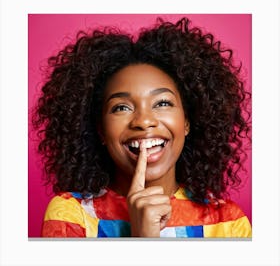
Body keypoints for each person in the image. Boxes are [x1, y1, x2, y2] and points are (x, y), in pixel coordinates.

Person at [32, 17, 252, 238]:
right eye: (121, 107)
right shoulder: (71, 215)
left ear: (187, 121)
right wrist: (142, 237)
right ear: (100, 130)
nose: (144, 121)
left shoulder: (228, 221)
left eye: (163, 103)